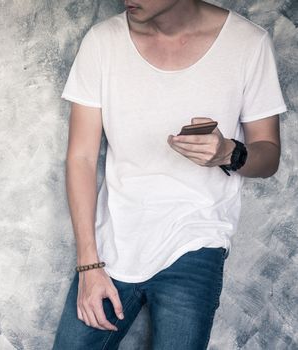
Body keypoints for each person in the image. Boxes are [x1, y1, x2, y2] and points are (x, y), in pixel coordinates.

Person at [52, 0, 287, 349]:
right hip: (114, 244)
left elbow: (268, 156)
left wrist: (228, 153)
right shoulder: (102, 42)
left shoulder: (248, 43)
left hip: (195, 242)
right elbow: (82, 157)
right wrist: (89, 265)